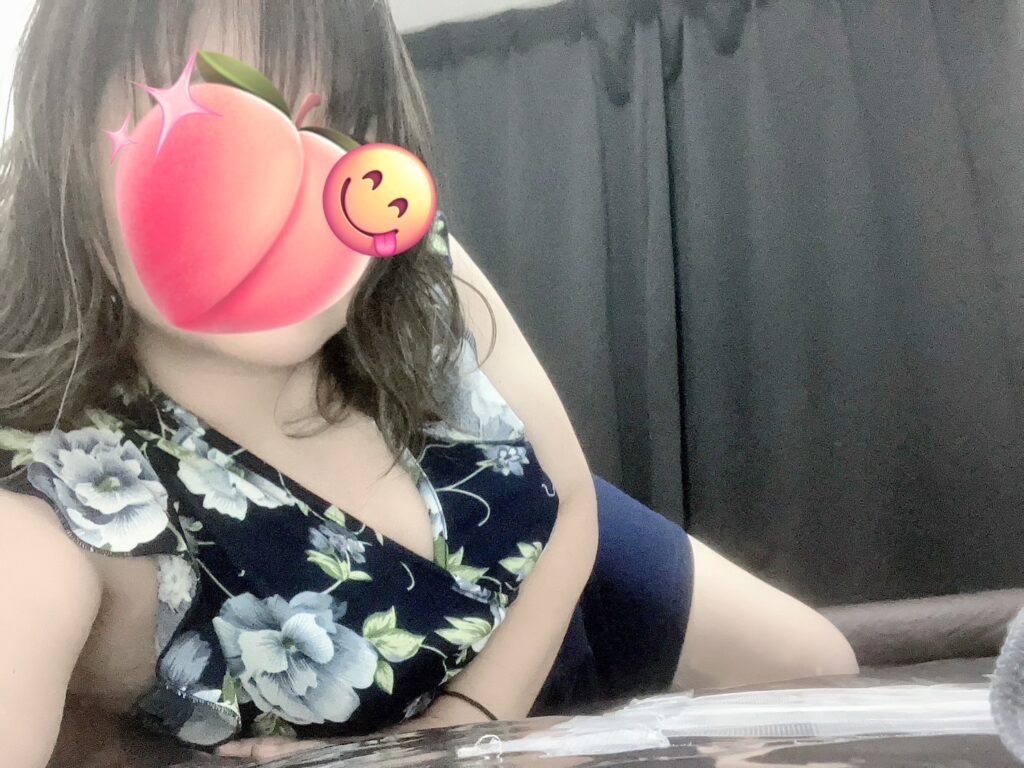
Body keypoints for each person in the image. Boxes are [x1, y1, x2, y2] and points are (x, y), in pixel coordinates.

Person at [0, 2, 858, 766]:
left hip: (562, 568)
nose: (297, 191)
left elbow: (569, 501)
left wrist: (467, 728)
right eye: (213, 127)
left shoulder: (404, 241)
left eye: (332, 123)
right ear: (65, 167)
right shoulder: (53, 512)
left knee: (821, 680)